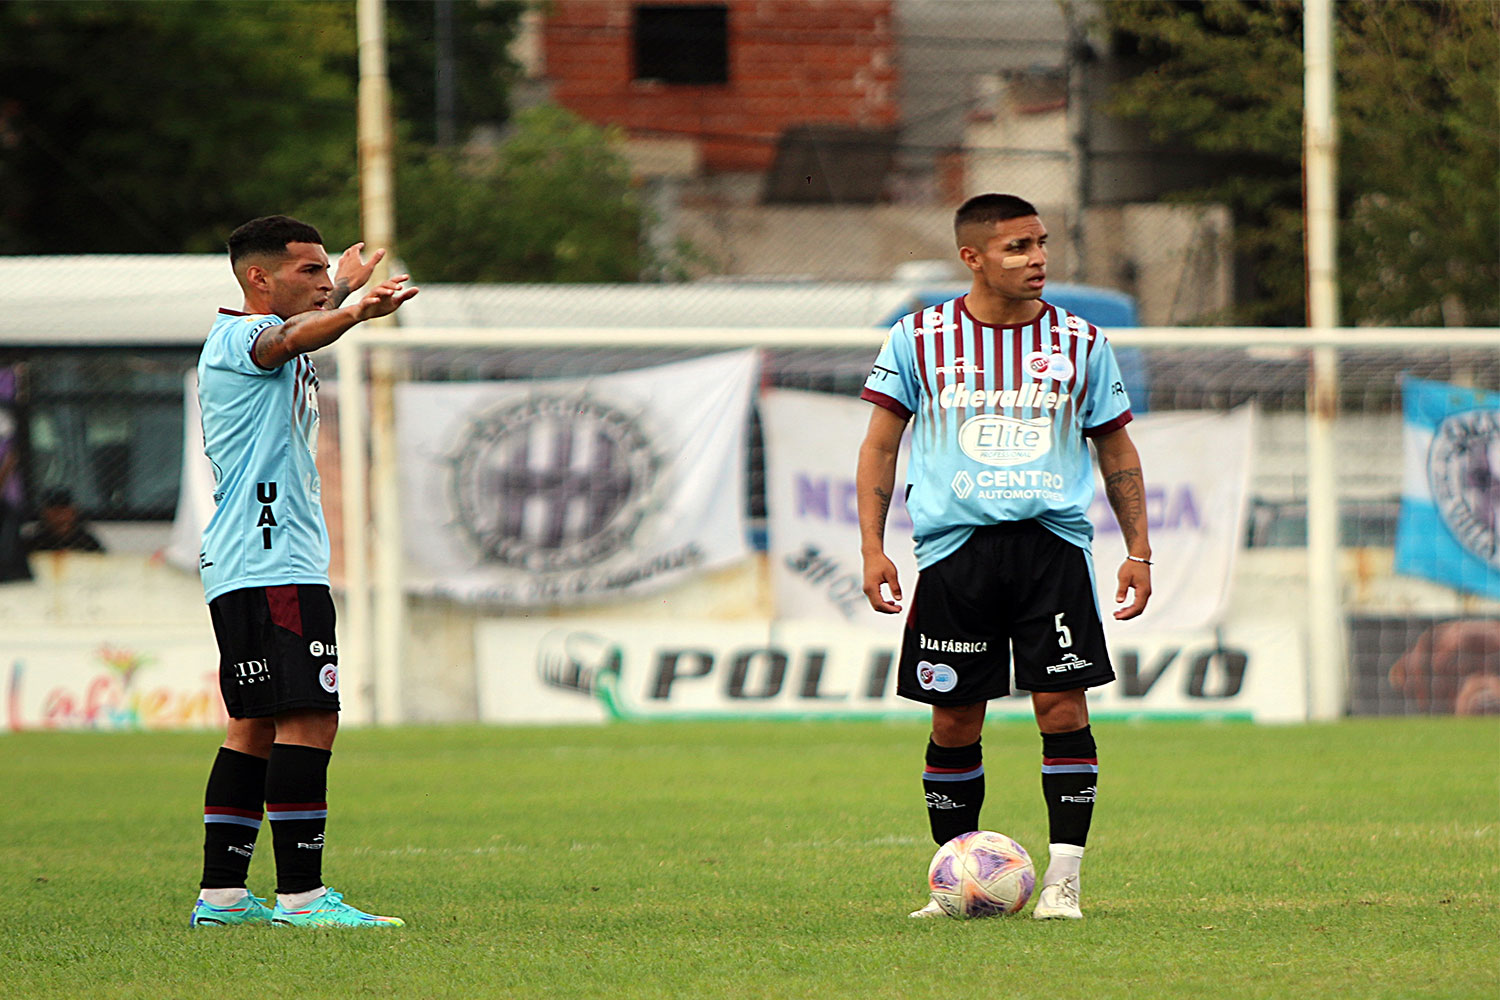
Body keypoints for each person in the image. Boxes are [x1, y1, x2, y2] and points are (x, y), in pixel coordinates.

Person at [856, 193, 1151, 920]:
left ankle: (1064, 883)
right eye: (1018, 247)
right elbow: (880, 446)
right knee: (955, 719)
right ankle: (957, 879)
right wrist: (873, 547)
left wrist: (1139, 549)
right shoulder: (917, 338)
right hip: (955, 551)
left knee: (1061, 706)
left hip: (1050, 547)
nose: (1038, 258)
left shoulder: (1083, 342)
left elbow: (1115, 447)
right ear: (973, 257)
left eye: (1041, 243)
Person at [189, 215, 416, 929]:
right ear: (260, 278)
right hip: (269, 560)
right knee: (311, 718)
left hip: (244, 561)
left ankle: (223, 898)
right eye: (309, 272)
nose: (323, 282)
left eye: (325, 270)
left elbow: (296, 327)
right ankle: (303, 900)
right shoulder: (241, 337)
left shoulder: (247, 334)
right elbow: (285, 338)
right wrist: (349, 311)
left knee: (254, 726)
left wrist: (343, 287)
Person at [23, 489, 105, 553]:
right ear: (44, 514)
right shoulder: (34, 544)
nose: (60, 517)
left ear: (74, 512)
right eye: (55, 511)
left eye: (64, 511)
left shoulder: (87, 543)